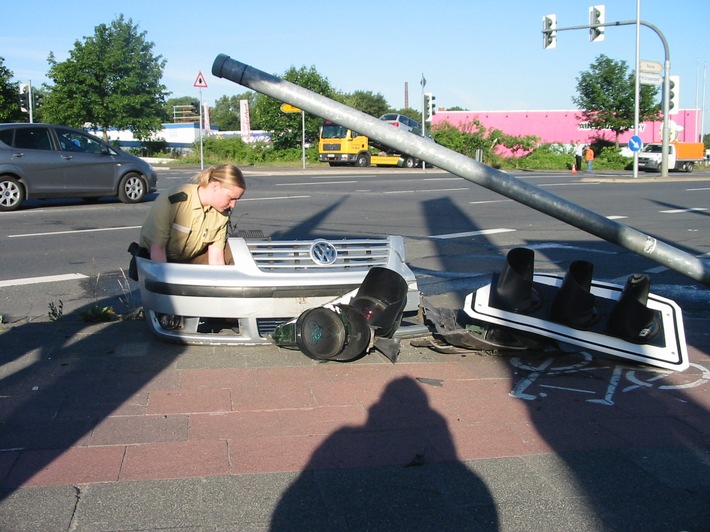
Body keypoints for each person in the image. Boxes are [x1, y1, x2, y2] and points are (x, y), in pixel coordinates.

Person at [139, 164, 246, 265]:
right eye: (231, 198)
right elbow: (158, 249)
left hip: (191, 258)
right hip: (156, 259)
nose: (233, 205)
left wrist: (218, 282)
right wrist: (167, 282)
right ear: (215, 186)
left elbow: (216, 257)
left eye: (236, 200)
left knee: (237, 252)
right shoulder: (174, 201)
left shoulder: (222, 213)